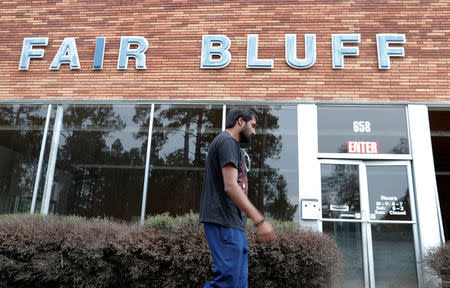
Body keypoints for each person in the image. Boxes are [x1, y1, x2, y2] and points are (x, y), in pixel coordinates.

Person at [199, 106, 275, 288]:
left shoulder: (231, 146)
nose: (254, 131)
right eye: (253, 125)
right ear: (241, 121)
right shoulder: (227, 142)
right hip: (223, 222)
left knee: (239, 284)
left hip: (234, 225)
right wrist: (259, 220)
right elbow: (231, 186)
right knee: (228, 284)